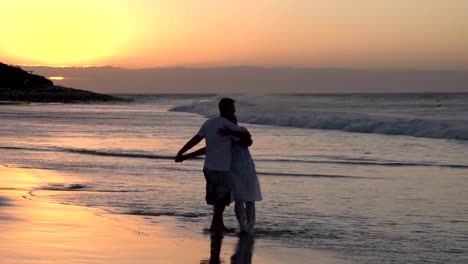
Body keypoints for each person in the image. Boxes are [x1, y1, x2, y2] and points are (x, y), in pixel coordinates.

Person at [175, 98, 252, 233]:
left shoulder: (208, 123)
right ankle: (215, 225)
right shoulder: (228, 125)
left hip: (208, 168)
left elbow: (198, 141)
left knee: (217, 198)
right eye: (233, 108)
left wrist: (183, 152)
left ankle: (218, 224)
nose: (234, 110)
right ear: (227, 109)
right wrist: (234, 132)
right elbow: (248, 139)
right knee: (221, 200)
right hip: (222, 168)